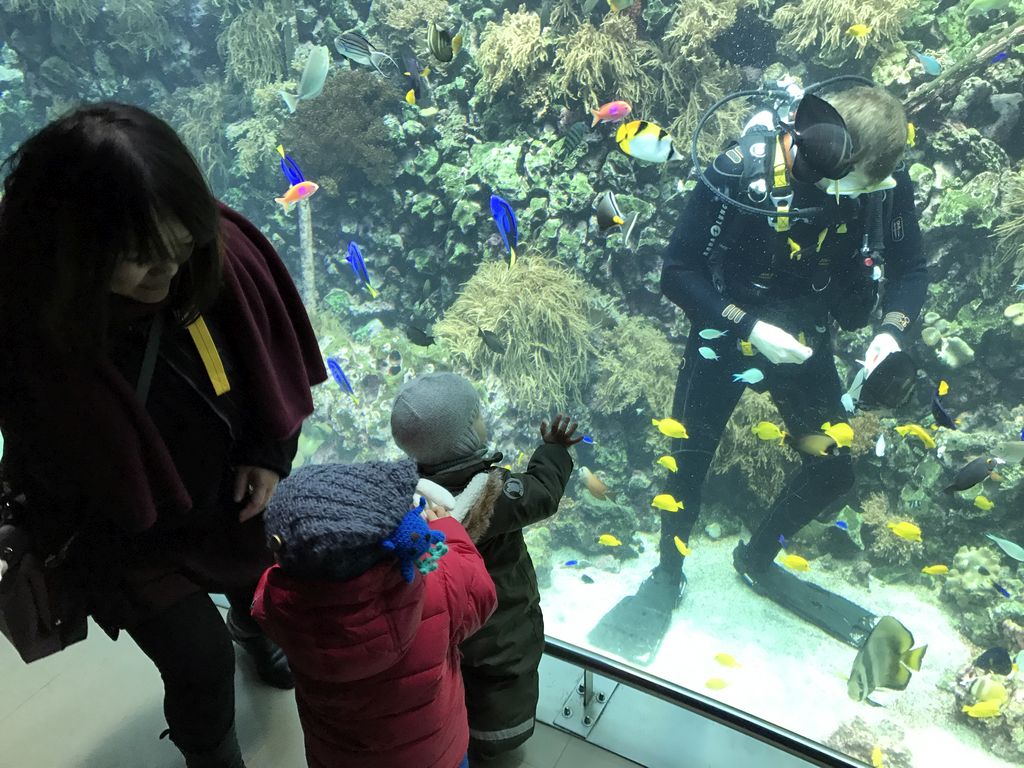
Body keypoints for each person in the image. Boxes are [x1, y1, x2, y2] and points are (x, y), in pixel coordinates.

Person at [0, 103, 327, 767]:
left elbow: (268, 364)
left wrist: (269, 456)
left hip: (233, 496)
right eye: (141, 260)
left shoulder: (216, 253)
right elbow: (39, 463)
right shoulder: (28, 329)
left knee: (265, 595)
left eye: (181, 251)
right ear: (70, 246)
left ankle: (252, 626)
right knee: (199, 666)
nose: (169, 275)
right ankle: (212, 754)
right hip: (124, 535)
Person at [591, 83, 928, 663]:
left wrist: (891, 330)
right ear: (829, 155)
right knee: (686, 467)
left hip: (805, 341)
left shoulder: (881, 186)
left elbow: (910, 269)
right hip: (727, 333)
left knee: (834, 471)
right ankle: (668, 574)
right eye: (864, 180)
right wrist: (747, 327)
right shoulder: (735, 175)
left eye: (878, 183)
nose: (870, 193)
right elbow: (676, 272)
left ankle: (757, 558)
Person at [251, 459, 498, 768]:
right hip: (435, 755)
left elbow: (273, 585)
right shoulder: (437, 586)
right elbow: (482, 594)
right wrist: (448, 529)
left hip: (339, 757)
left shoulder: (280, 605)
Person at [390, 372, 578, 762]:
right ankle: (497, 745)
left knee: (457, 671)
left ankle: (455, 732)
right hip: (499, 616)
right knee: (504, 674)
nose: (482, 420)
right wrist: (554, 450)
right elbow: (543, 494)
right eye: (476, 416)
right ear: (464, 438)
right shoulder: (492, 496)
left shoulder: (413, 496)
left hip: (446, 618)